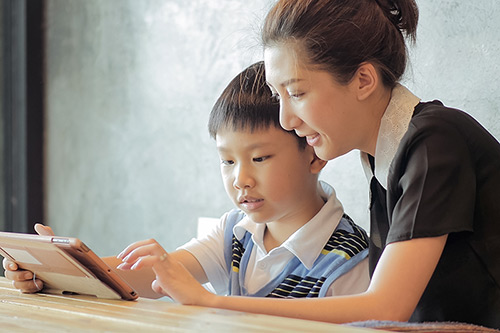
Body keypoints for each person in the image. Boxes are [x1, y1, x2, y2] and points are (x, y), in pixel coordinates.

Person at [98, 0, 500, 329]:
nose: (287, 119)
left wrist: (212, 302)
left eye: (297, 93)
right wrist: (53, 271)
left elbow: (385, 307)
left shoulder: (433, 142)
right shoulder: (383, 156)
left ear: (363, 80)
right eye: (279, 96)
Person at [3, 61, 370, 300]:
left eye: (259, 158)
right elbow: (153, 278)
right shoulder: (235, 231)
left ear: (313, 152)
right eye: (227, 161)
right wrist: (59, 273)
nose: (240, 179)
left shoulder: (348, 261)